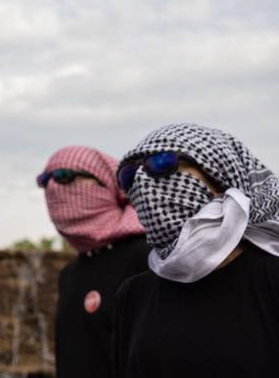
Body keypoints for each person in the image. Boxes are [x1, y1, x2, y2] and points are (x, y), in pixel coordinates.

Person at [113, 123, 279, 377]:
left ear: (222, 178)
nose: (142, 182)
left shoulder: (271, 278)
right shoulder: (134, 295)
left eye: (161, 163)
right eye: (129, 175)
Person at [38, 145, 147, 378]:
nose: (53, 187)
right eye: (44, 180)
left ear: (107, 186)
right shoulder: (70, 273)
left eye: (64, 176)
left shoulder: (146, 257)